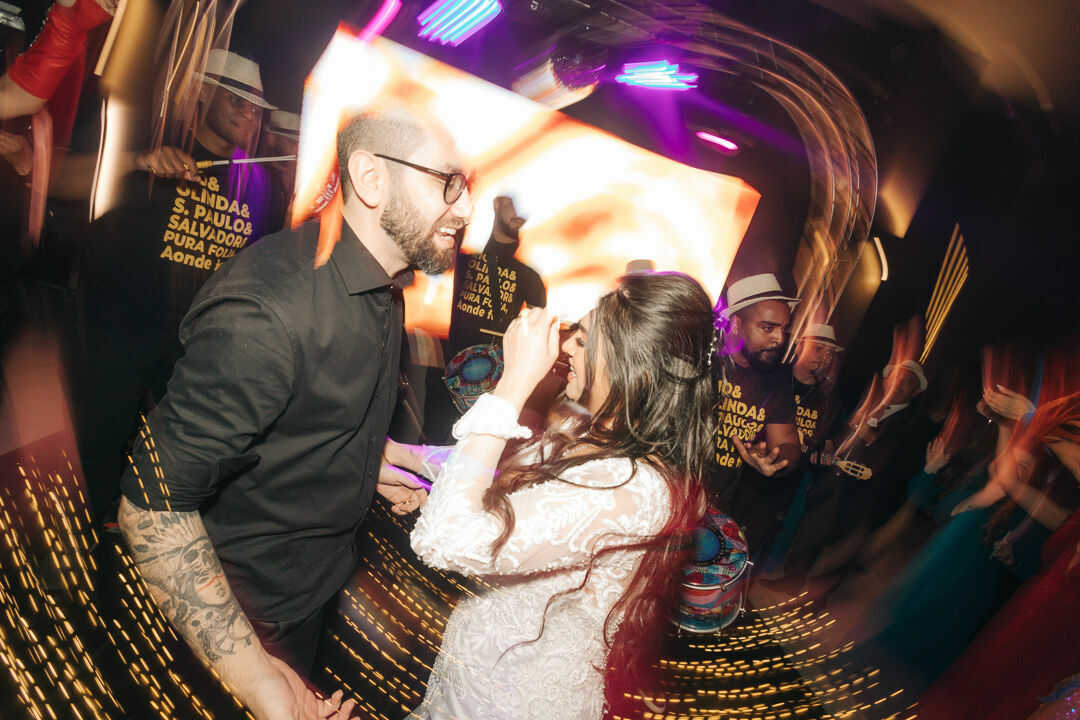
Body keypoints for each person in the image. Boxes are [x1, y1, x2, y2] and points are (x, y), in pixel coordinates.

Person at [116, 97, 473, 719]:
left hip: (311, 594)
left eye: (465, 185)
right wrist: (254, 677)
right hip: (231, 620)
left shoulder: (382, 292)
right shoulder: (269, 310)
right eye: (447, 183)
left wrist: (369, 463)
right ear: (369, 177)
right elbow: (149, 508)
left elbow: (306, 416)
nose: (465, 208)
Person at [389, 272, 715, 720]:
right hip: (471, 684)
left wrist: (511, 388)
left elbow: (449, 539)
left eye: (583, 341)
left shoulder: (635, 487)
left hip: (513, 702)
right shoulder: (588, 430)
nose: (566, 349)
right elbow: (491, 469)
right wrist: (396, 456)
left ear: (629, 362)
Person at [69, 49, 275, 522]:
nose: (252, 115)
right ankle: (86, 535)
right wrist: (137, 160)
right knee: (97, 440)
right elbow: (60, 180)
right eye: (239, 101)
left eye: (257, 108)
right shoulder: (154, 146)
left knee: (182, 459)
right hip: (121, 332)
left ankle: (150, 533)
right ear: (203, 92)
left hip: (197, 344)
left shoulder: (259, 182)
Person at [711, 272, 801, 553]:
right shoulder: (701, 362)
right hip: (667, 498)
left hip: (716, 512)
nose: (779, 339)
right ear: (736, 323)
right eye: (768, 327)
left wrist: (774, 461)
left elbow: (788, 444)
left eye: (783, 330)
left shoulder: (776, 384)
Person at [258, 109, 300, 232]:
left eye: (300, 144)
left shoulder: (298, 179)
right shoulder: (256, 179)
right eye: (292, 143)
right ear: (272, 139)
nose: (298, 150)